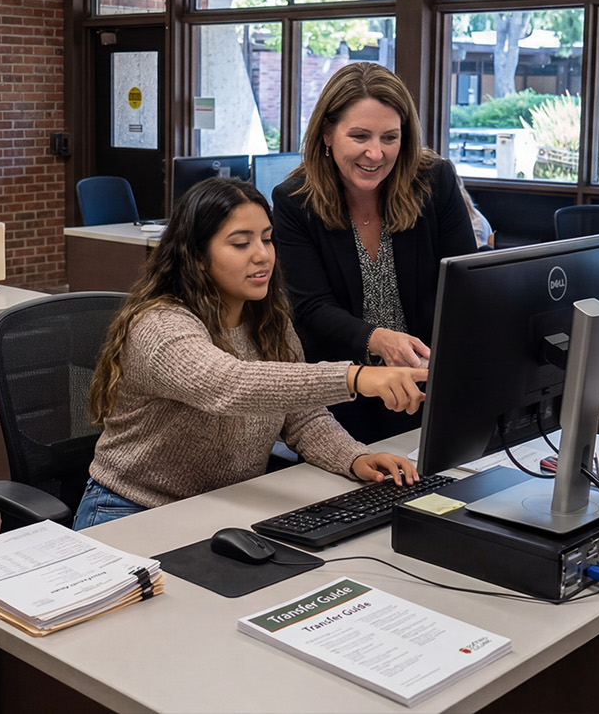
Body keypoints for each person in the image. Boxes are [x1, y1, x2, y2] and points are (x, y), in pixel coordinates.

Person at [76, 177, 425, 529]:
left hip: (224, 507)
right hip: (132, 509)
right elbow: (229, 385)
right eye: (241, 243)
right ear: (197, 256)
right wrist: (355, 376)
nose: (262, 254)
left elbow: (302, 418)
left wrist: (354, 458)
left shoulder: (267, 321)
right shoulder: (160, 326)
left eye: (267, 239)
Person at [272, 62, 477, 442]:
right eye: (360, 136)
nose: (375, 153)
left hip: (429, 386)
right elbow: (312, 308)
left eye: (389, 137)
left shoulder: (434, 181)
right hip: (344, 398)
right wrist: (378, 339)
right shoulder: (295, 201)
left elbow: (466, 283)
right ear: (327, 135)